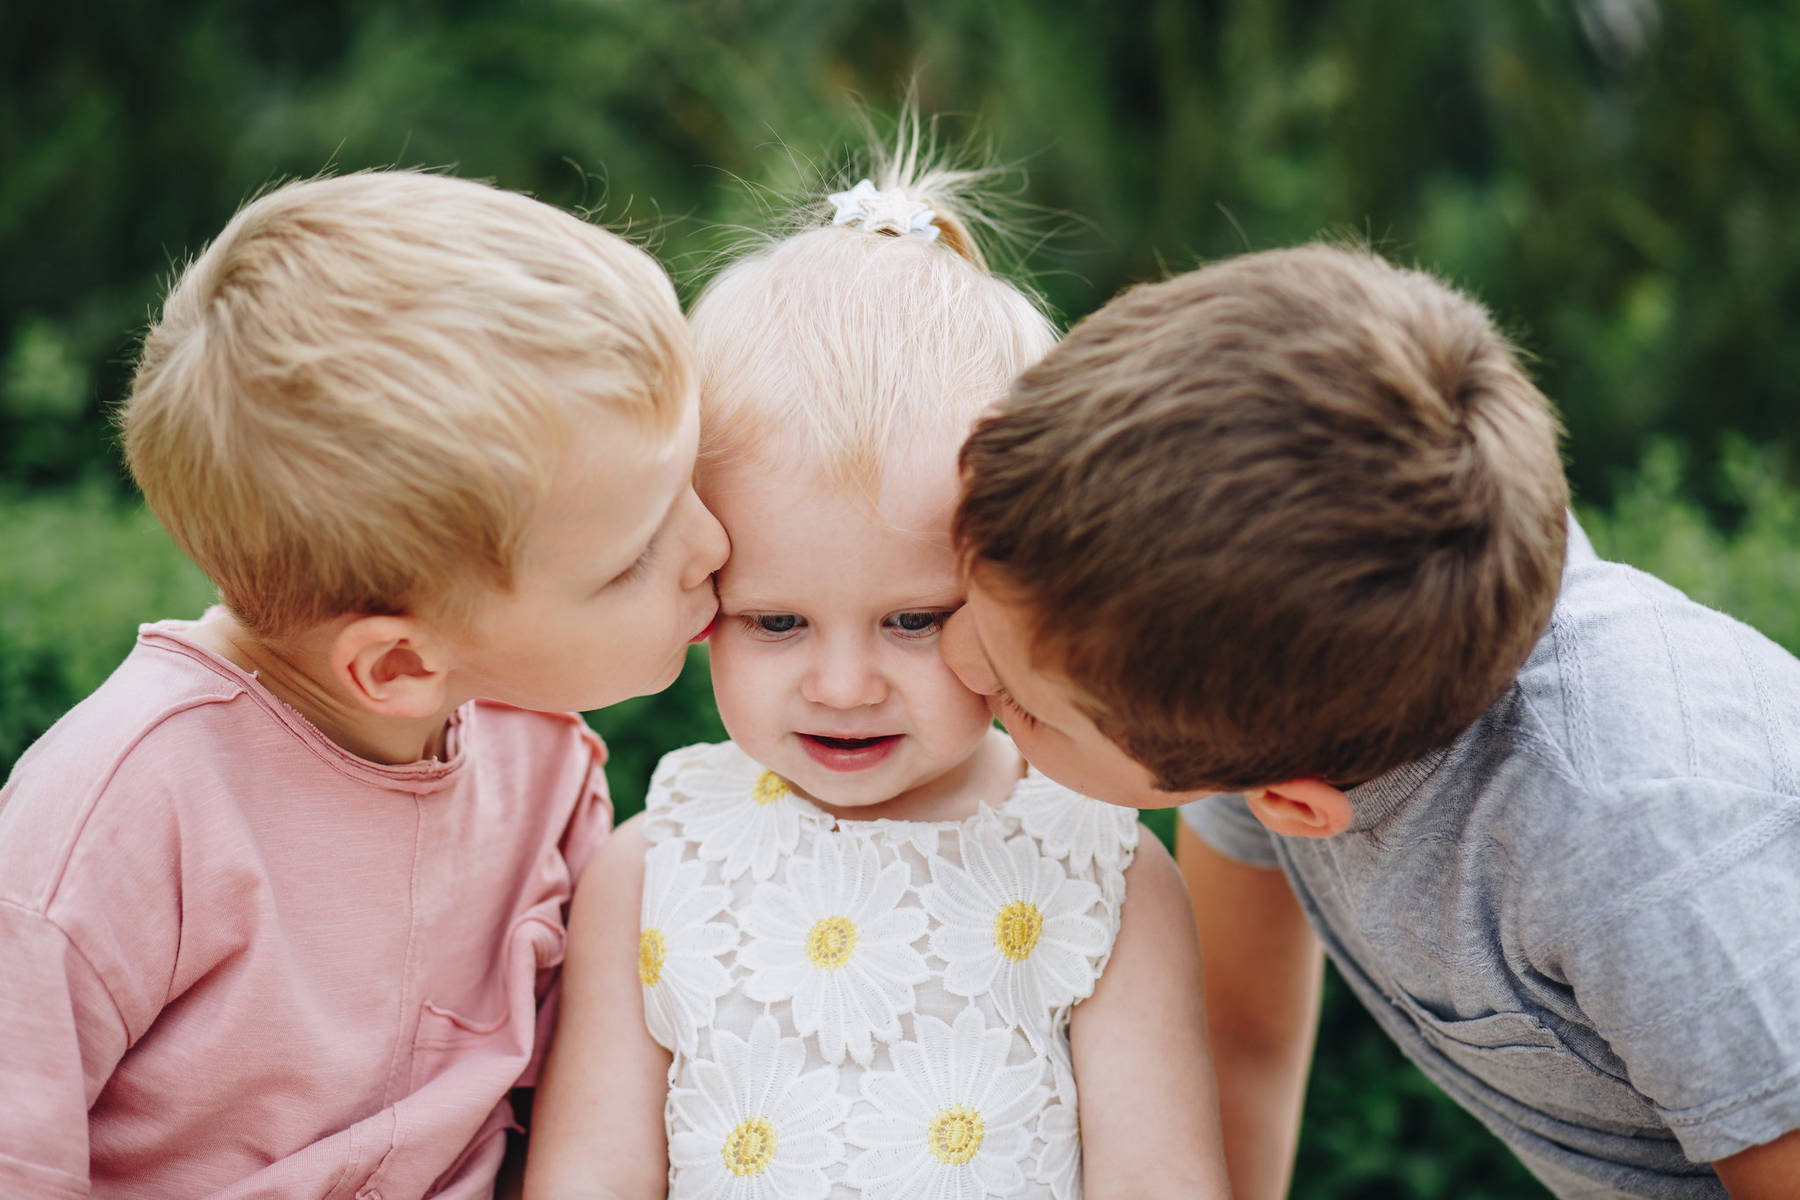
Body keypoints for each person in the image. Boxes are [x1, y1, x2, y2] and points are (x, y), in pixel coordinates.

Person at [939, 242, 1800, 1199]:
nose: (958, 661)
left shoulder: (1643, 853)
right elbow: (1240, 1041)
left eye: (1026, 706)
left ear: (1294, 805)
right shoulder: (1272, 676)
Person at [523, 135, 1231, 1200]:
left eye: (912, 619)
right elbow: (590, 1174)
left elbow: (1159, 1178)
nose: (845, 686)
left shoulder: (1099, 867)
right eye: (775, 621)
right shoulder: (653, 869)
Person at [0, 170, 729, 1200]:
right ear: (396, 664)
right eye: (632, 558)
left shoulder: (544, 765)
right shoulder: (117, 815)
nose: (712, 544)